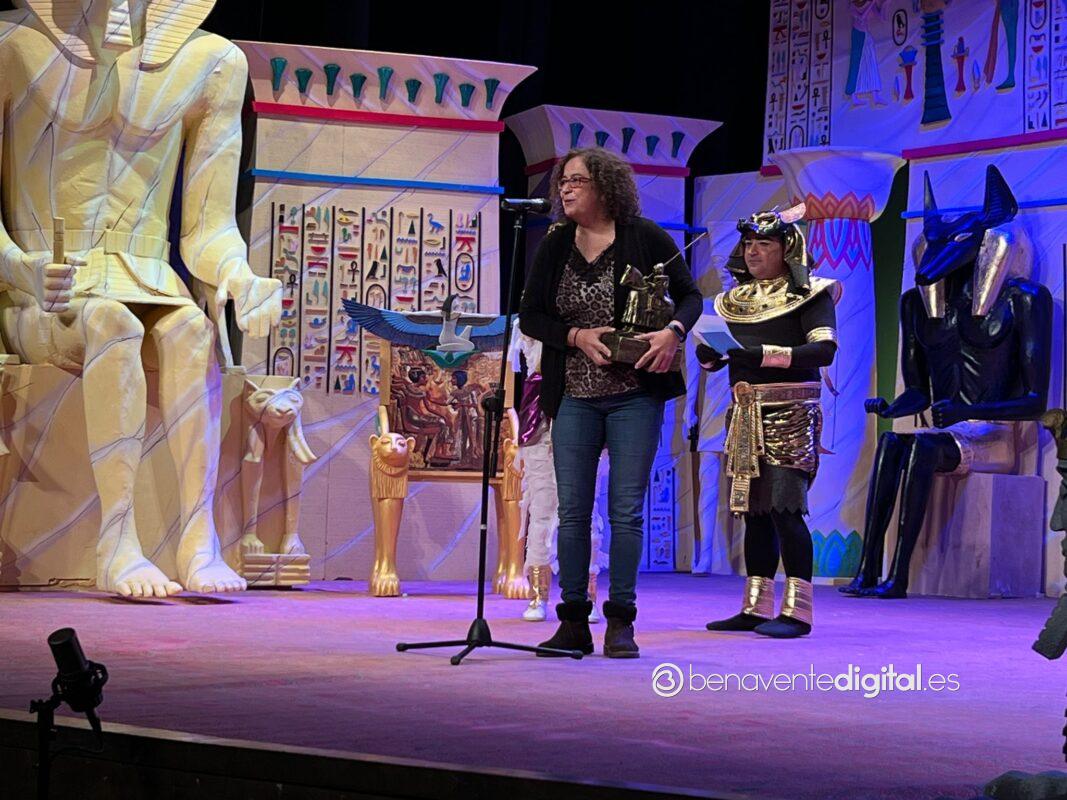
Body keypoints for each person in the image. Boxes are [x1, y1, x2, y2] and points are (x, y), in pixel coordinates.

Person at [519, 147, 701, 658]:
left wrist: (672, 332)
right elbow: (531, 316)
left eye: (577, 180)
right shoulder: (556, 243)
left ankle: (621, 620)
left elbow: (691, 296)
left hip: (634, 396)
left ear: (605, 186)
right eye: (562, 181)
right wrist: (576, 336)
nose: (565, 188)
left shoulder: (644, 236)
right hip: (574, 395)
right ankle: (574, 621)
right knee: (573, 512)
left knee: (625, 512)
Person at [698, 205, 838, 638]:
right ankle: (755, 606)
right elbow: (715, 358)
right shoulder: (731, 300)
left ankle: (799, 612)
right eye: (748, 244)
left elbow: (824, 351)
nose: (753, 251)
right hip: (744, 413)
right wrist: (709, 352)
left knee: (785, 508)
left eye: (764, 243)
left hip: (790, 413)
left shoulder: (811, 293)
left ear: (787, 248)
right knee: (754, 511)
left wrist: (762, 355)